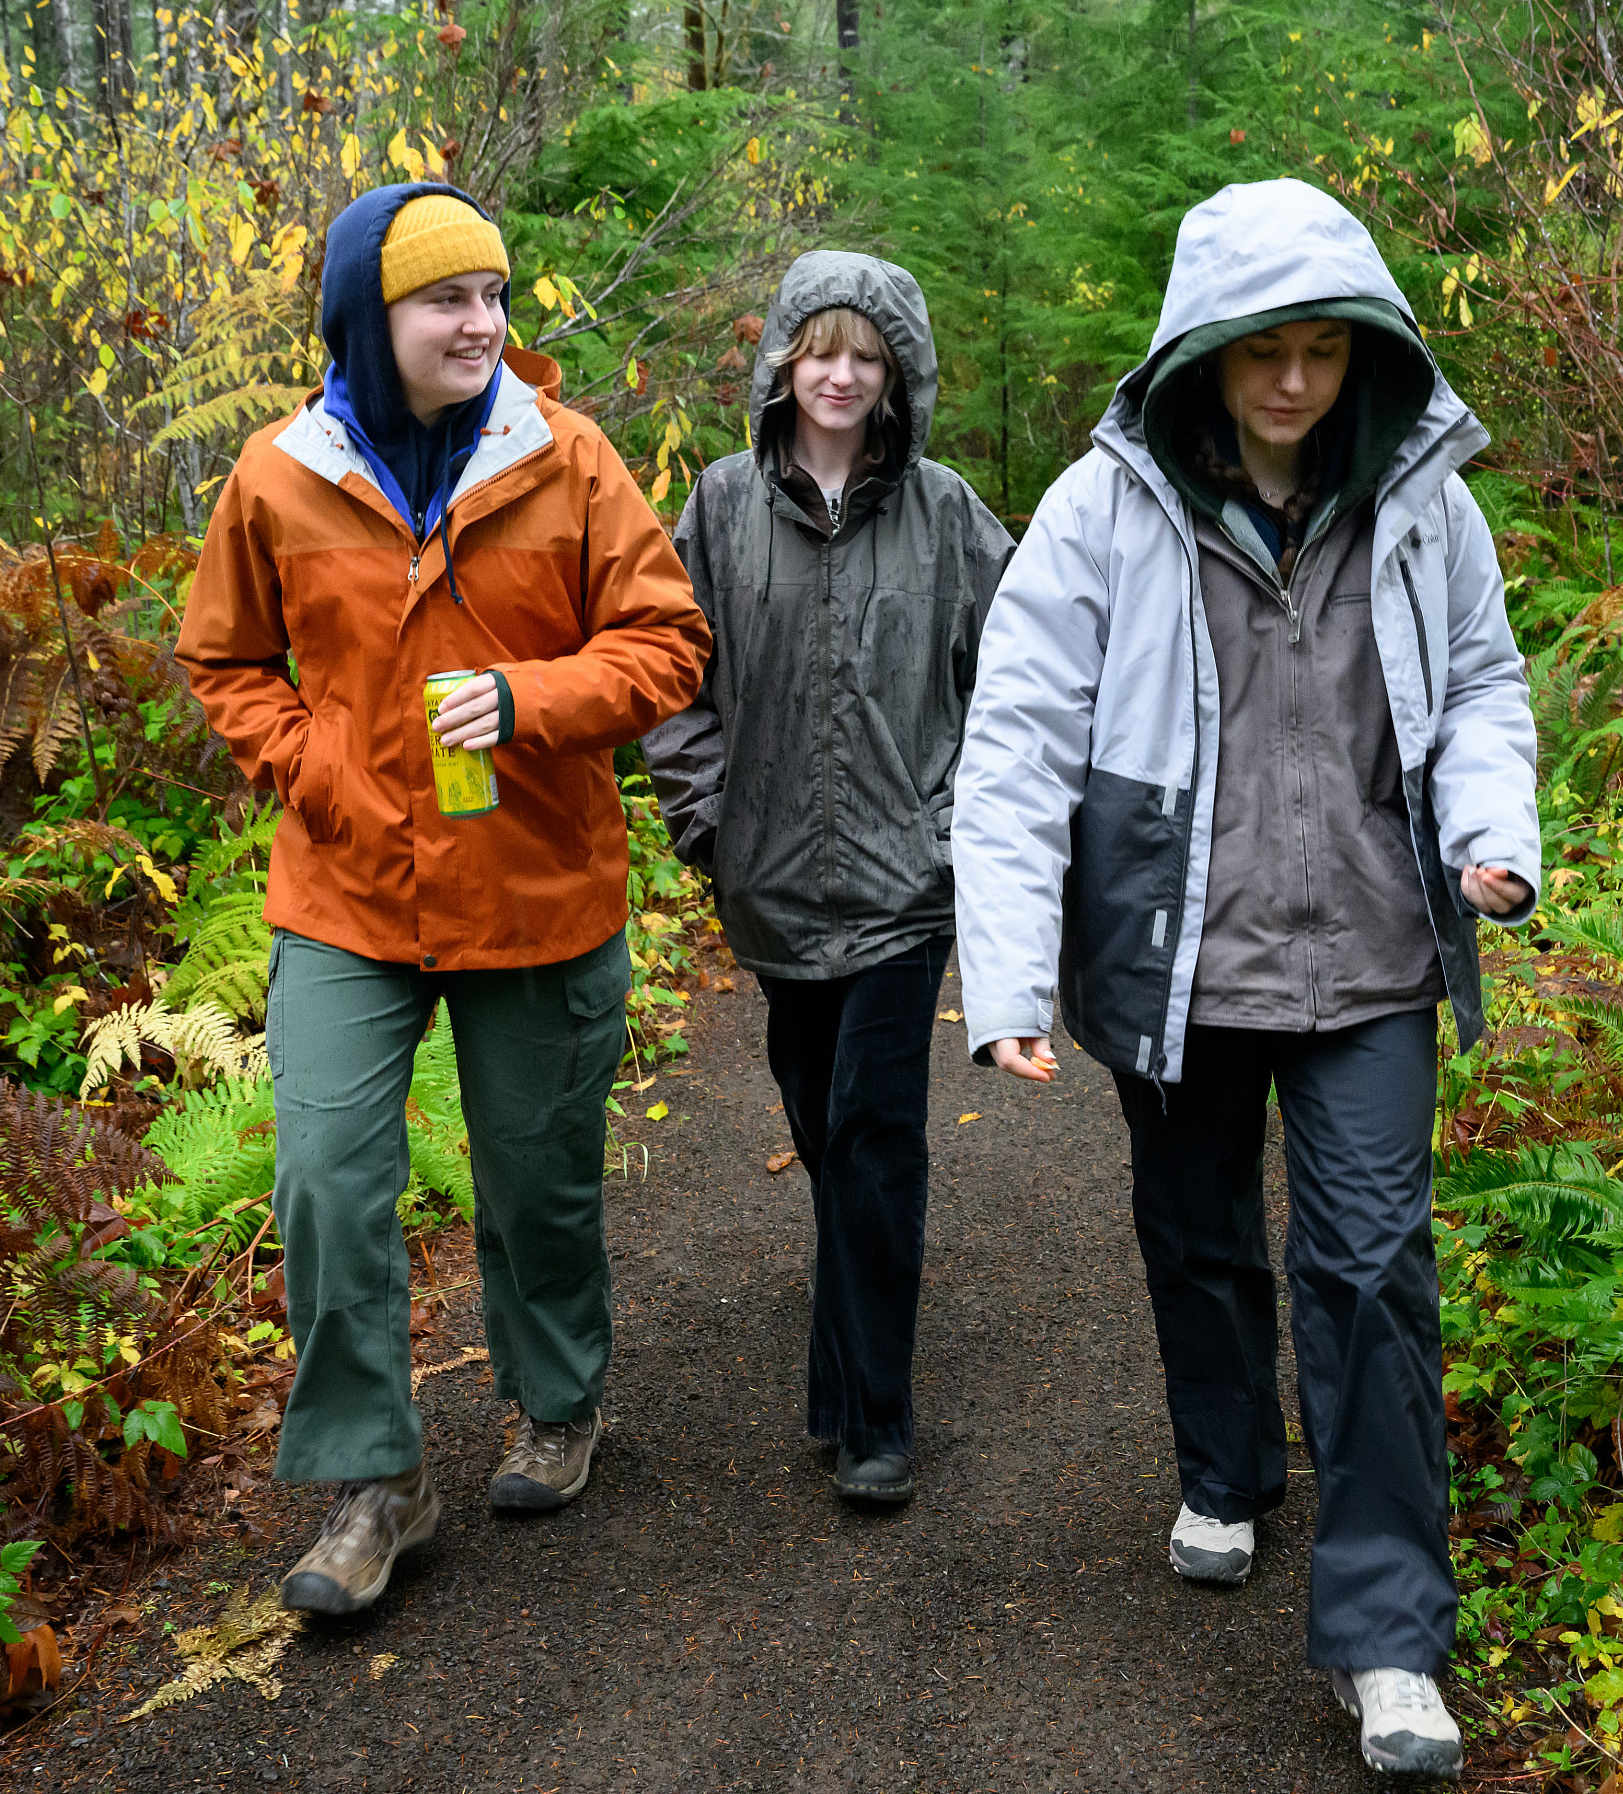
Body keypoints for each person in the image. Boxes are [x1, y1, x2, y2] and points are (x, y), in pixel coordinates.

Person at [950, 179, 1540, 1779]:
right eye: (1261, 351)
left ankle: (1390, 1636)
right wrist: (1002, 976)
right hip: (1181, 959)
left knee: (1371, 1273)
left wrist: (1493, 831)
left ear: (1367, 355)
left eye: (1324, 351)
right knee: (1198, 1233)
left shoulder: (1425, 505)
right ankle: (1225, 1465)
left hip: (1371, 956)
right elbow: (1013, 739)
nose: (1293, 381)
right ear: (1200, 355)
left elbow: (1483, 680)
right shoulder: (1105, 508)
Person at [176, 181, 710, 1617]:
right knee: (327, 1176)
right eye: (445, 299)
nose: (483, 322)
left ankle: (558, 1399)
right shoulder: (279, 475)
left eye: (493, 295)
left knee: (536, 1177)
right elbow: (225, 660)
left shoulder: (569, 458)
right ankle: (377, 1480)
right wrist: (318, 768)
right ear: (370, 314)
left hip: (535, 878)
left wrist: (534, 698)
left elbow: (669, 642)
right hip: (347, 883)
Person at [644, 251, 1013, 1504]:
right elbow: (669, 677)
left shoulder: (950, 513)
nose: (840, 374)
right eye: (819, 351)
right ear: (782, 364)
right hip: (773, 888)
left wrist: (958, 825)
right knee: (821, 1135)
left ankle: (876, 1425)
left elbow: (1014, 685)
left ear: (896, 369)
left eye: (863, 353)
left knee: (874, 1132)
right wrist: (707, 823)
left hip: (907, 886)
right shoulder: (718, 506)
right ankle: (836, 1371)